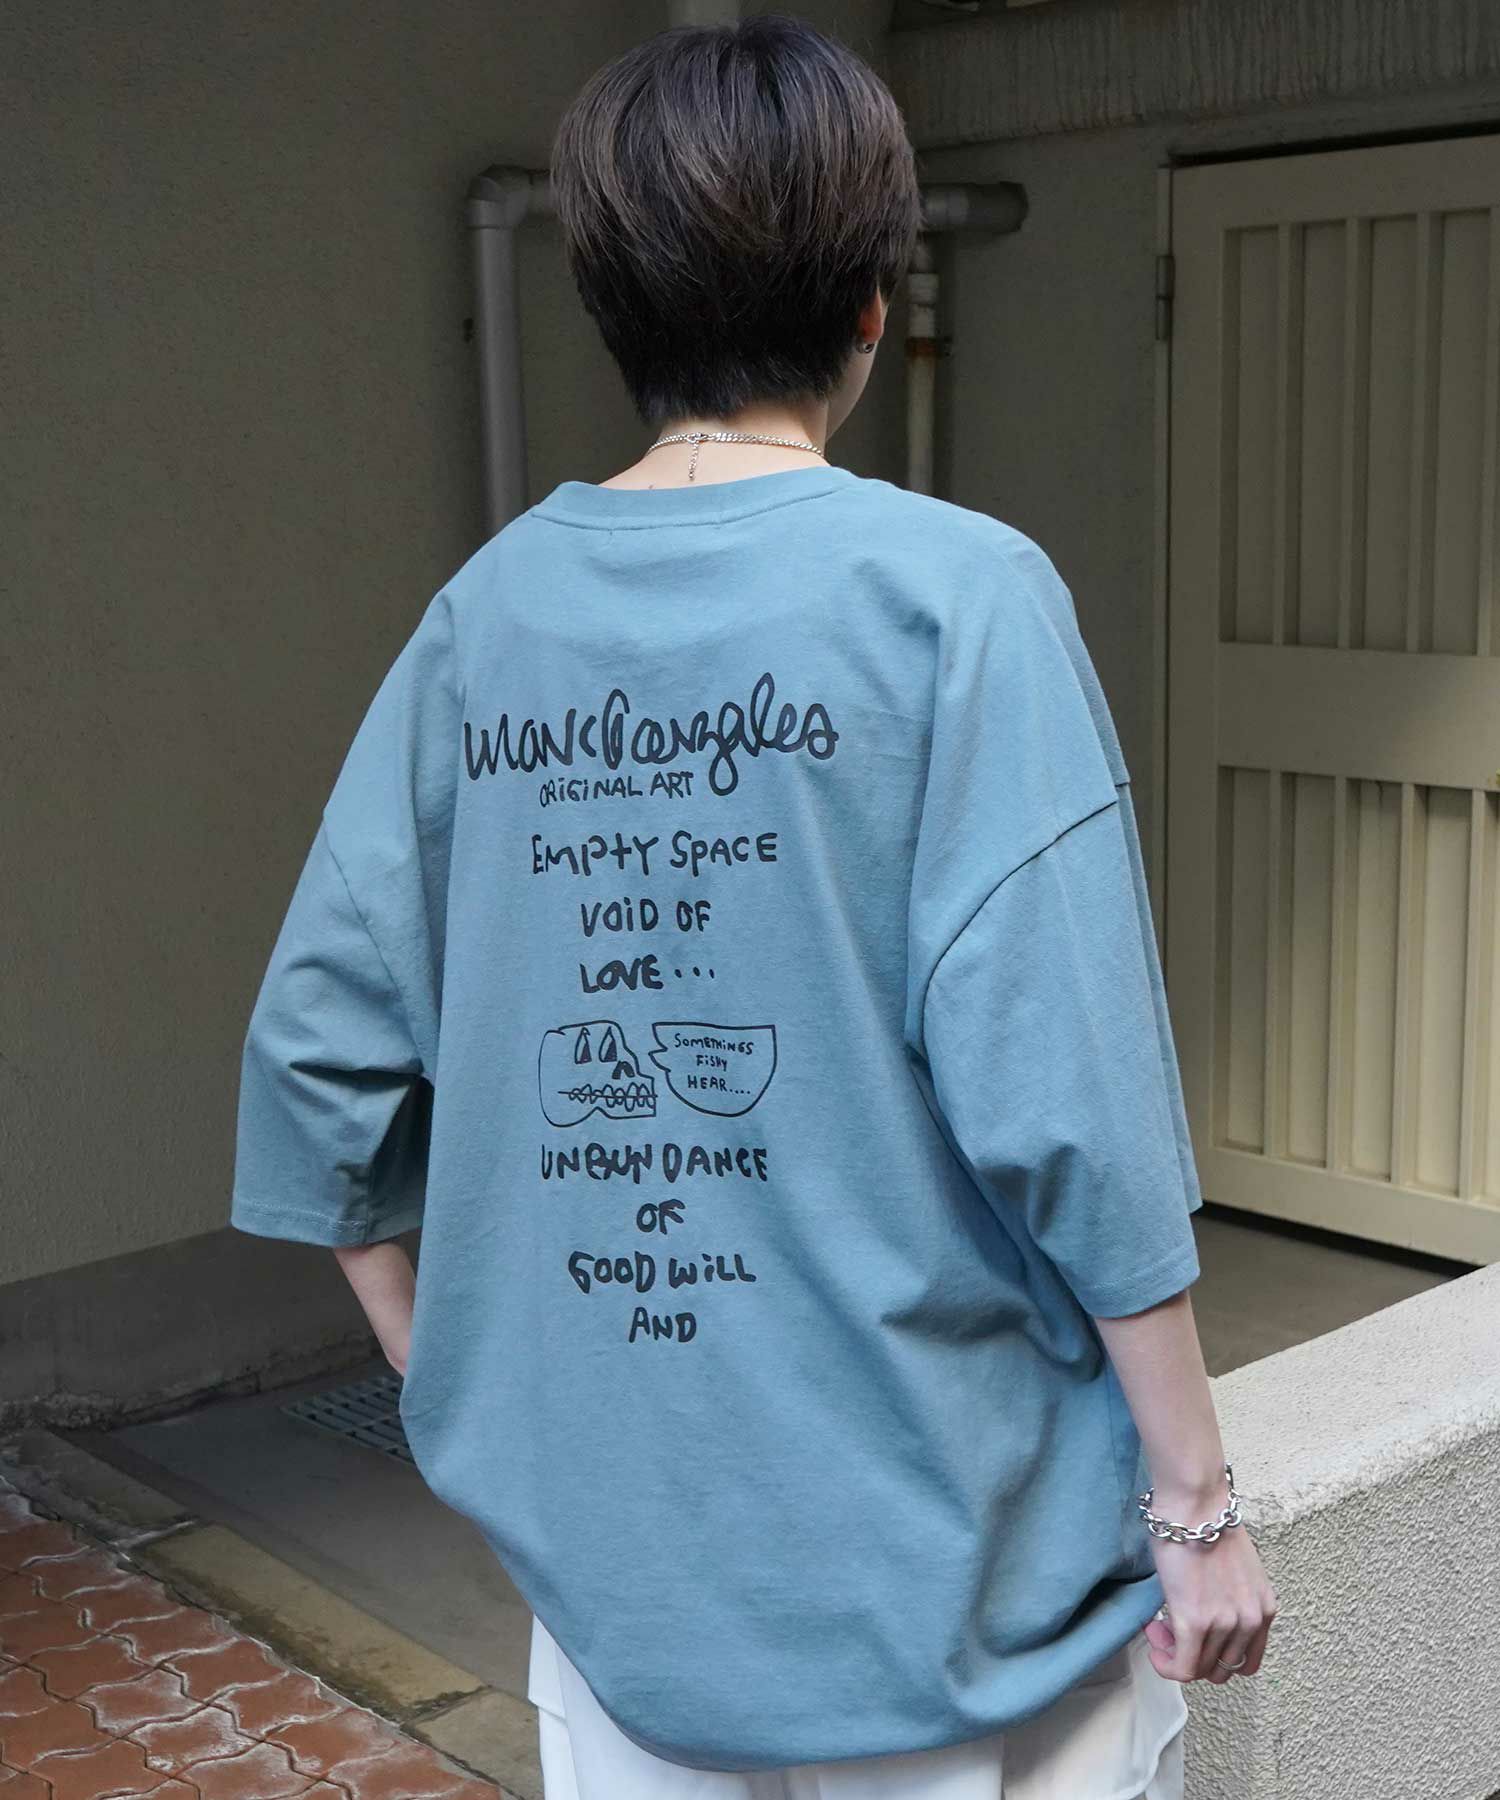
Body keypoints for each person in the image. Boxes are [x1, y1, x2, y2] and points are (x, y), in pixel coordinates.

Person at [230, 14, 1278, 1798]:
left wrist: (472, 1408)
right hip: (961, 1597)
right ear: (873, 303)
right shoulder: (961, 601)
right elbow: (1072, 1102)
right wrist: (1195, 1504)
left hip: (618, 1611)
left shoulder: (486, 623)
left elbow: (318, 1059)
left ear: (613, 311)